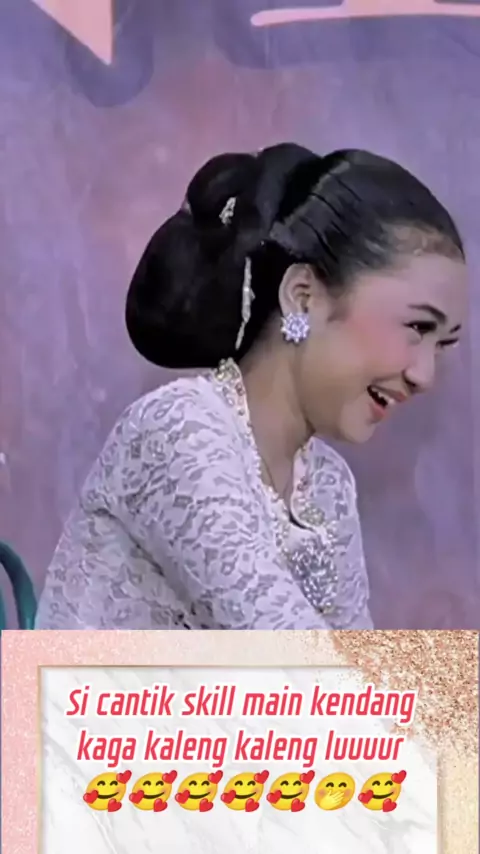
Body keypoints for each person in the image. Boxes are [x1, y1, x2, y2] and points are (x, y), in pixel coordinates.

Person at [35, 143, 467, 630]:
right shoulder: (180, 431)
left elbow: (353, 666)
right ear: (302, 296)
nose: (424, 374)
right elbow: (293, 656)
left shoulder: (327, 486)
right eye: (416, 327)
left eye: (442, 345)